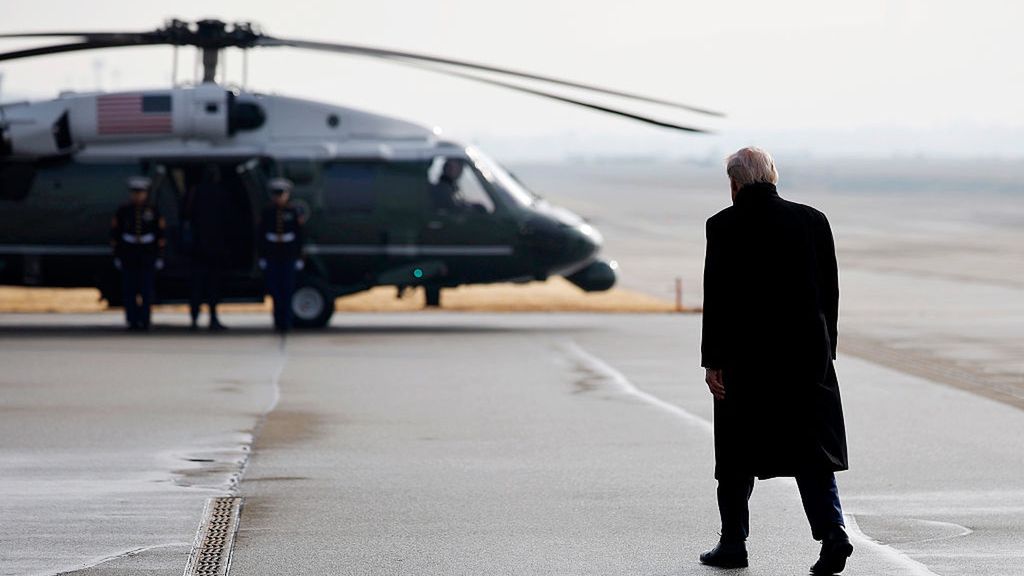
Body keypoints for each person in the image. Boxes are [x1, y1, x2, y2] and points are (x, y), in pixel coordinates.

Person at [699, 147, 852, 574]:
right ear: (773, 177)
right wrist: (827, 353)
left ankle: (733, 544)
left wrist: (713, 362)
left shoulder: (722, 226)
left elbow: (718, 300)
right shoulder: (813, 220)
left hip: (744, 362)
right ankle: (833, 534)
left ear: (735, 184)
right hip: (806, 361)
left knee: (735, 457)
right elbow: (830, 295)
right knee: (812, 455)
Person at [110, 176, 165, 331]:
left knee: (146, 290)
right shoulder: (124, 211)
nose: (138, 196)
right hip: (129, 254)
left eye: (141, 193)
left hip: (147, 255)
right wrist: (117, 256)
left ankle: (145, 319)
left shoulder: (153, 210)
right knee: (130, 290)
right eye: (135, 193)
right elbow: (115, 234)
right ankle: (132, 319)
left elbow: (160, 235)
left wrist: (159, 256)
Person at [183, 165, 229, 331]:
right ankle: (212, 318)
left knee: (198, 286)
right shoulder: (221, 193)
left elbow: (186, 216)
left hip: (199, 248)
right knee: (212, 286)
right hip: (213, 248)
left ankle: (195, 319)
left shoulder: (195, 192)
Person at [258, 178, 305, 333]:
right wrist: (262, 257)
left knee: (288, 289)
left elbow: (299, 236)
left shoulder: (292, 212)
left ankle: (287, 322)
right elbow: (261, 235)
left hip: (288, 256)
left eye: (281, 194)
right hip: (272, 256)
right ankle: (278, 320)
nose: (279, 197)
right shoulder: (267, 212)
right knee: (275, 290)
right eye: (276, 194)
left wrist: (299, 257)